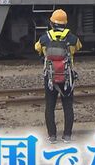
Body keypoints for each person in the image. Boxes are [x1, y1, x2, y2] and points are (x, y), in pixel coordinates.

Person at [34, 9, 82, 143]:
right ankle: (67, 136)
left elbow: (37, 48)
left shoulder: (44, 38)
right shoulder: (72, 39)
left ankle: (52, 136)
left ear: (51, 23)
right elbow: (79, 47)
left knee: (50, 106)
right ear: (65, 24)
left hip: (50, 77)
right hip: (67, 77)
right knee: (68, 106)